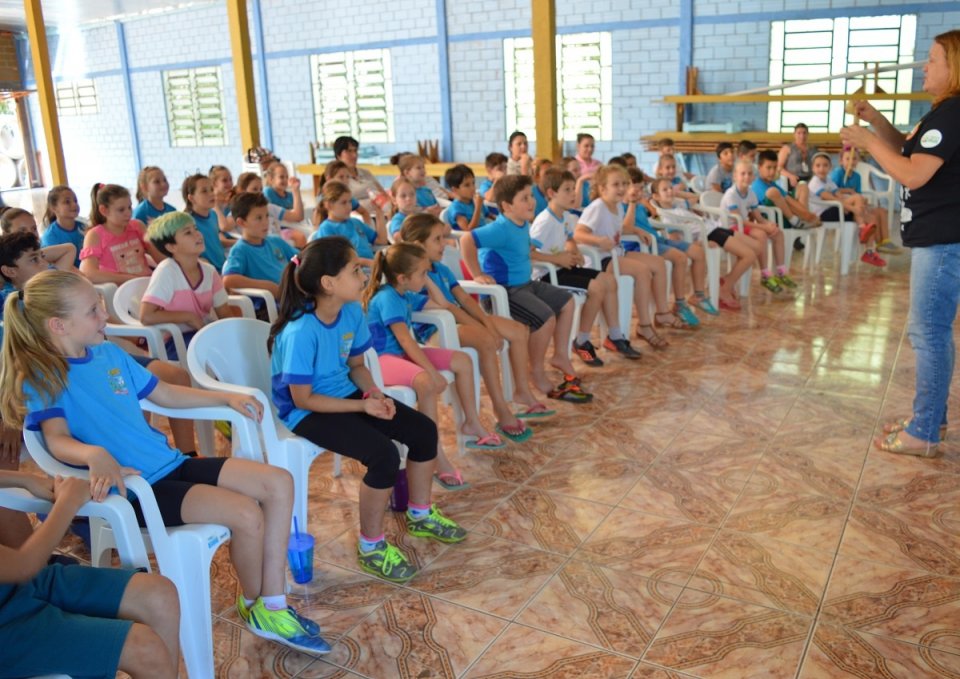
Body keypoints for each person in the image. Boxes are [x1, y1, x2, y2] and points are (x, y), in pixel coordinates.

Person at [0, 269, 330, 653]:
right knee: (245, 513)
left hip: (171, 463)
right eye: (93, 310)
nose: (105, 315)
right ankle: (259, 605)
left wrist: (224, 398)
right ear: (59, 324)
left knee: (278, 481)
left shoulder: (108, 352)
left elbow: (165, 394)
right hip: (139, 488)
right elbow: (55, 440)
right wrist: (93, 453)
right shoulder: (42, 377)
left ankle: (271, 603)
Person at [268, 237, 466, 582]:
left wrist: (376, 394)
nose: (364, 275)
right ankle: (372, 545)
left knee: (423, 431)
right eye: (355, 270)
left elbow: (357, 366)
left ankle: (420, 513)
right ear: (328, 284)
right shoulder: (301, 331)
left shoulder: (350, 311)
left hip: (344, 394)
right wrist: (362, 405)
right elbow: (302, 400)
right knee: (383, 455)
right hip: (306, 412)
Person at [841, 31, 960, 458]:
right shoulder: (942, 114)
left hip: (943, 240)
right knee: (933, 333)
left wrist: (867, 143)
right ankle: (934, 420)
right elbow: (908, 154)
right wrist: (876, 122)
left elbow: (913, 175)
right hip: (939, 238)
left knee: (928, 333)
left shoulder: (952, 114)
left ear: (955, 68)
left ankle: (925, 431)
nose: (925, 67)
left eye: (932, 60)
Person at [0, 230, 201, 458]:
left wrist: (36, 258)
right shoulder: (11, 305)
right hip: (69, 370)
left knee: (175, 376)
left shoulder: (58, 283)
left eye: (42, 256)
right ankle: (133, 453)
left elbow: (68, 250)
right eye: (33, 259)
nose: (44, 262)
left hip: (99, 355)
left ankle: (187, 452)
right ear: (9, 270)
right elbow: (15, 360)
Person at [0, 469, 182, 678]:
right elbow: (24, 565)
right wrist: (68, 503)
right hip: (7, 624)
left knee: (160, 595)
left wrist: (24, 478)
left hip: (17, 585)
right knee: (145, 649)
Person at [364, 243, 504, 489]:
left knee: (463, 360)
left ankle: (471, 421)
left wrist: (425, 280)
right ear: (402, 277)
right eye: (423, 273)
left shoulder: (405, 293)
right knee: (427, 383)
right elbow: (406, 340)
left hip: (399, 355)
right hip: (380, 361)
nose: (426, 277)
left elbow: (442, 303)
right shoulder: (387, 297)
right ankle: (436, 456)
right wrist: (429, 370)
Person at [399, 213, 553, 429]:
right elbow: (448, 308)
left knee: (518, 330)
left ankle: (522, 392)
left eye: (443, 238)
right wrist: (484, 330)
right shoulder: (416, 276)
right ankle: (501, 409)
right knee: (486, 341)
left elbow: (463, 299)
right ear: (418, 245)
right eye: (437, 239)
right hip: (438, 330)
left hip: (462, 319)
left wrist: (488, 324)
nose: (444, 244)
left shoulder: (441, 269)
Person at [461, 175, 593, 403]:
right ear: (506, 206)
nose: (531, 202)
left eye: (531, 196)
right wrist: (477, 274)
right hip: (505, 292)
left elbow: (527, 251)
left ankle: (560, 356)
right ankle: (536, 372)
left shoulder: (522, 223)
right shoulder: (500, 228)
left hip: (526, 285)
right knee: (545, 318)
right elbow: (466, 240)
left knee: (567, 301)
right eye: (524, 198)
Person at [575, 165, 690, 351]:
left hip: (616, 253)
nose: (621, 188)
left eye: (624, 184)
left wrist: (637, 229)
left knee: (659, 263)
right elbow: (578, 233)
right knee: (642, 270)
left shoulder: (618, 205)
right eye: (616, 184)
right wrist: (597, 240)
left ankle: (661, 313)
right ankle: (644, 325)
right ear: (603, 188)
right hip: (599, 260)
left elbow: (621, 228)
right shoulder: (597, 207)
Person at [530, 167, 639, 363]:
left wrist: (574, 250)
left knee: (609, 280)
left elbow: (570, 238)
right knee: (597, 287)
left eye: (574, 188)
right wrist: (557, 259)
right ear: (551, 193)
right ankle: (582, 340)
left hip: (561, 268)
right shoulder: (544, 221)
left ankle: (614, 335)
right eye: (567, 190)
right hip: (546, 275)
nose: (574, 194)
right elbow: (528, 254)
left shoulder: (563, 216)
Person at [652, 178, 757, 311]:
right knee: (749, 255)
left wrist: (677, 193)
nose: (669, 191)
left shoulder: (678, 205)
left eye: (670, 188)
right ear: (656, 196)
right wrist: (699, 243)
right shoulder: (667, 215)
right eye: (665, 190)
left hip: (714, 228)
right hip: (709, 234)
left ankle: (725, 280)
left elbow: (695, 197)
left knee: (755, 247)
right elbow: (676, 239)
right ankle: (724, 289)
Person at [142, 211, 237, 358]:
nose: (198, 235)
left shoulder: (209, 271)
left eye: (196, 229)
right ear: (171, 247)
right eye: (188, 233)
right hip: (175, 341)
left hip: (203, 334)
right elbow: (146, 316)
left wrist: (235, 335)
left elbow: (225, 314)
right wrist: (188, 317)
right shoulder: (166, 271)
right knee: (219, 356)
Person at [626, 171, 710, 325]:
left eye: (640, 188)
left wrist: (642, 203)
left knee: (698, 252)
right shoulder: (624, 205)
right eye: (633, 188)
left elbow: (651, 218)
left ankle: (698, 295)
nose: (638, 192)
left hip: (657, 239)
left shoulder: (638, 203)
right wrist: (634, 204)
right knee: (680, 257)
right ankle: (679, 303)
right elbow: (625, 228)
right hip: (643, 244)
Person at [720, 159, 796, 293]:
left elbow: (758, 217)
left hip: (742, 226)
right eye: (742, 174)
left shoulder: (751, 193)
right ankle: (765, 275)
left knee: (778, 233)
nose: (746, 177)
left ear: (753, 177)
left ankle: (781, 272)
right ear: (735, 176)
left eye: (749, 174)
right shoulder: (731, 194)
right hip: (729, 228)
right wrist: (764, 228)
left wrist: (769, 225)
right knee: (760, 234)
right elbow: (740, 221)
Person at [807, 152, 886, 268]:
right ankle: (862, 228)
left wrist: (854, 203)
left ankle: (869, 251)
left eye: (825, 165)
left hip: (836, 209)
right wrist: (851, 206)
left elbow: (838, 194)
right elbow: (828, 197)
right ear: (813, 168)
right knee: (858, 199)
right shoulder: (815, 182)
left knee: (871, 218)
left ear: (830, 167)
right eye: (818, 166)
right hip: (823, 214)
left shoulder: (828, 180)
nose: (821, 169)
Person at [222, 192, 298, 304]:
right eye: (258, 218)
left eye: (267, 216)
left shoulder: (275, 241)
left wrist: (300, 268)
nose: (265, 222)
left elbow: (299, 258)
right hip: (271, 304)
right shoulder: (241, 250)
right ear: (241, 222)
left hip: (294, 293)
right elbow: (228, 280)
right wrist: (267, 286)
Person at [80, 184, 164, 284]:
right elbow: (89, 273)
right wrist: (131, 279)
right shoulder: (95, 235)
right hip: (117, 291)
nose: (128, 213)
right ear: (104, 210)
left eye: (129, 207)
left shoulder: (138, 226)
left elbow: (159, 257)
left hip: (147, 284)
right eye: (121, 210)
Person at [830, 147, 900, 254]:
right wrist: (847, 191)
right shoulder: (837, 173)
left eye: (854, 159)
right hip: (843, 207)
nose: (851, 162)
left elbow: (858, 193)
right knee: (870, 215)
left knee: (880, 211)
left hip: (856, 205)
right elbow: (831, 190)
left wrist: (864, 202)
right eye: (848, 159)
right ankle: (877, 242)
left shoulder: (857, 176)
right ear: (841, 161)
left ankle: (885, 241)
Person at [310, 181, 387, 267]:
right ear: (329, 205)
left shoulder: (355, 222)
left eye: (350, 202)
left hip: (370, 267)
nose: (349, 207)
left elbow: (381, 240)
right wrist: (367, 262)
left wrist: (379, 212)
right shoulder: (326, 228)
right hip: (350, 272)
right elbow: (335, 259)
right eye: (343, 202)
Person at [752, 150, 820, 228]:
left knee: (802, 186)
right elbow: (783, 202)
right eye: (768, 168)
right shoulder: (756, 185)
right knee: (773, 192)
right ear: (759, 167)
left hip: (785, 215)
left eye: (775, 168)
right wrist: (805, 214)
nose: (772, 172)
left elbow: (789, 199)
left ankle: (805, 219)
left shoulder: (772, 184)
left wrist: (807, 214)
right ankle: (797, 221)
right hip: (774, 219)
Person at [182, 174, 228, 272]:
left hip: (224, 266)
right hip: (208, 272)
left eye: (211, 189)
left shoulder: (213, 215)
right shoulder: (187, 222)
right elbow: (187, 254)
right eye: (204, 191)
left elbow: (214, 242)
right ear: (191, 198)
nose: (211, 194)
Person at [332, 135, 390, 211]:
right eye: (349, 151)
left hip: (382, 213)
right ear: (338, 155)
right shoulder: (338, 178)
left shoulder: (366, 173)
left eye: (355, 151)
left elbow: (383, 194)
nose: (354, 155)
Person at [41, 186, 84, 267]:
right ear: (54, 208)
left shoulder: (84, 227)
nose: (74, 204)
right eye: (67, 202)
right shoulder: (50, 236)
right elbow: (59, 267)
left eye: (75, 201)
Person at [777, 122, 819, 202]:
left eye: (804, 133)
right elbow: (779, 167)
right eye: (799, 133)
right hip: (793, 180)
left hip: (810, 179)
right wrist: (790, 176)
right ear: (794, 134)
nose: (802, 136)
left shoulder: (813, 150)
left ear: (807, 134)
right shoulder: (787, 148)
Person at [443, 164, 489, 232]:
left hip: (485, 232)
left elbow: (489, 215)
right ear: (455, 190)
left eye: (473, 183)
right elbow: (468, 230)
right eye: (467, 185)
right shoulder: (456, 208)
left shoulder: (474, 201)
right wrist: (478, 207)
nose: (473, 188)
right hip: (473, 239)